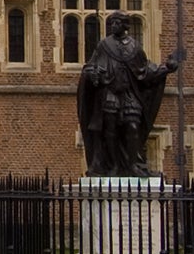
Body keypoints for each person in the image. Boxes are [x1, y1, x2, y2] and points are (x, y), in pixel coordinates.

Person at [75, 12, 181, 178]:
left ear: (124, 25)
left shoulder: (134, 47)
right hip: (109, 93)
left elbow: (145, 71)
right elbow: (91, 65)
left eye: (117, 23)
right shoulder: (104, 45)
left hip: (129, 94)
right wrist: (93, 73)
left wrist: (166, 69)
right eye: (112, 23)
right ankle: (113, 166)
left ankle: (133, 165)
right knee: (110, 130)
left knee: (132, 127)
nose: (113, 26)